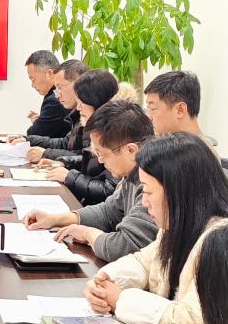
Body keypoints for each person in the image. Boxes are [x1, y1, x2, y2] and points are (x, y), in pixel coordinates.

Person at [83, 133, 228, 324]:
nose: (144, 202)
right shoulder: (177, 224)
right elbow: (144, 261)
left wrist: (120, 299)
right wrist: (105, 281)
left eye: (148, 191)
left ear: (178, 192)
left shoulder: (226, 242)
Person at [23, 100, 157, 262]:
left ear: (131, 150)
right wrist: (55, 219)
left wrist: (87, 233)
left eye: (102, 153)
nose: (100, 160)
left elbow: (123, 246)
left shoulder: (154, 181)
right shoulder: (133, 172)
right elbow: (109, 212)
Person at [39, 69, 119, 205]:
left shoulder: (115, 132)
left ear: (96, 100)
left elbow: (109, 190)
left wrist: (69, 177)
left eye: (82, 102)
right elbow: (90, 159)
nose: (78, 108)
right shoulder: (94, 124)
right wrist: (64, 162)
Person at [10, 59, 88, 161]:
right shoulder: (78, 114)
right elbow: (65, 143)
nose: (57, 95)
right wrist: (29, 140)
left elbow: (87, 158)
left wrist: (46, 154)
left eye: (60, 87)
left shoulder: (94, 116)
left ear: (78, 84)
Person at [143, 70, 218, 156]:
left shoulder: (191, 156)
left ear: (180, 110)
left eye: (153, 108)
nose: (149, 117)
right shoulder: (180, 147)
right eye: (148, 108)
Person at [23, 50, 71, 138]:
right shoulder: (56, 96)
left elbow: (33, 134)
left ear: (49, 74)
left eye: (33, 79)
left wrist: (38, 123)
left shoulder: (55, 100)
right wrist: (41, 121)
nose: (32, 85)